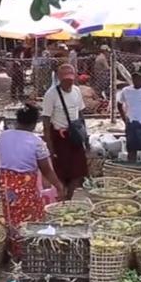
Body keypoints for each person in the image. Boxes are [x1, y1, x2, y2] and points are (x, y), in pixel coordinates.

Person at [0, 104, 65, 254]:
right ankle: (28, 250)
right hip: (25, 186)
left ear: (17, 120)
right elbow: (46, 169)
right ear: (34, 123)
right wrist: (58, 186)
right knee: (30, 216)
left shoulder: (3, 136)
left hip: (6, 183)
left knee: (10, 215)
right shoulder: (36, 142)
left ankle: (14, 250)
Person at [42, 64, 88, 200]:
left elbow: (80, 114)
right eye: (65, 80)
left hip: (75, 135)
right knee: (60, 171)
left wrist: (85, 136)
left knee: (77, 171)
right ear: (59, 79)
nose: (68, 82)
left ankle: (69, 197)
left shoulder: (77, 91)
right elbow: (46, 121)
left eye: (70, 79)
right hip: (59, 137)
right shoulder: (51, 95)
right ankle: (60, 196)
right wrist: (49, 145)